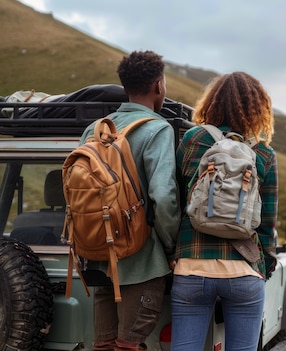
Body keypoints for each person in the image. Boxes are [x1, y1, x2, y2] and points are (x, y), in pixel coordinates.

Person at [80, 50, 181, 351]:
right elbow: (163, 196)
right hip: (142, 259)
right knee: (128, 346)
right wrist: (170, 246)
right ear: (159, 86)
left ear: (125, 86)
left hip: (100, 256)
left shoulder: (94, 129)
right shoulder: (157, 129)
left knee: (104, 345)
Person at [171, 72, 278, 351]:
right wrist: (261, 267)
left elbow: (177, 201)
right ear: (258, 109)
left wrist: (174, 254)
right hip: (243, 271)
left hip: (191, 267)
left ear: (212, 102)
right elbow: (267, 222)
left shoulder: (193, 140)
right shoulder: (264, 153)